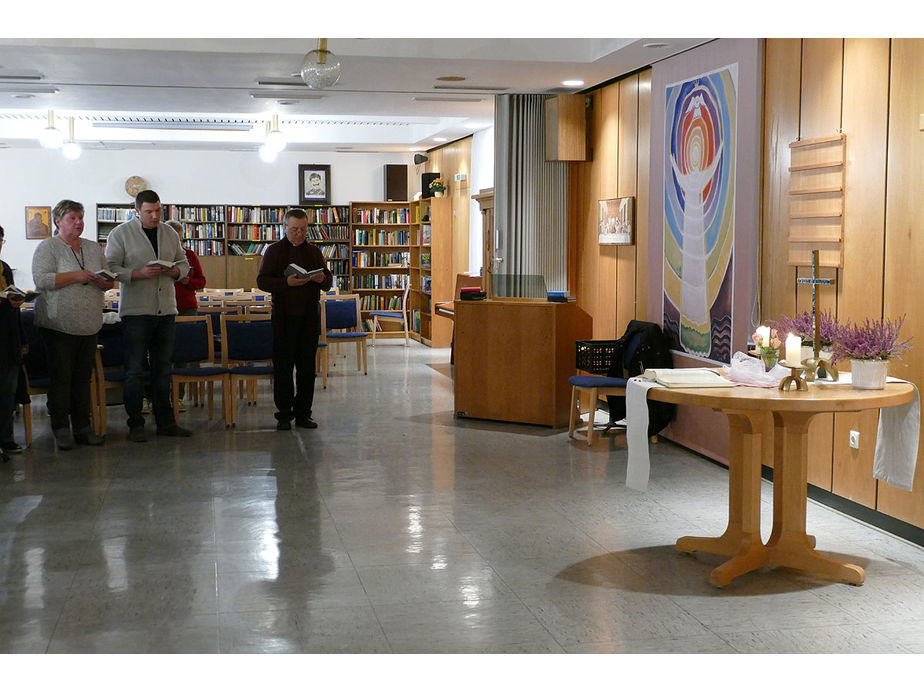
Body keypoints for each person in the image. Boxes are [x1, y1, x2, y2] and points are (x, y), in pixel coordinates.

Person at [105, 190, 192, 442]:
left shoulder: (169, 233)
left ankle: (166, 422)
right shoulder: (120, 234)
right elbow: (110, 268)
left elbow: (184, 263)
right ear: (137, 211)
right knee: (134, 370)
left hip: (165, 310)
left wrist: (176, 271)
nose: (155, 216)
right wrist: (137, 274)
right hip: (136, 312)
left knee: (163, 369)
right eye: (149, 212)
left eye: (158, 211)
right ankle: (136, 424)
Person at [32, 201, 114, 450]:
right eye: (72, 218)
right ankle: (60, 428)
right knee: (62, 378)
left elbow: (108, 279)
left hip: (88, 323)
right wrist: (77, 276)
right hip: (58, 324)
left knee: (82, 379)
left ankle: (83, 427)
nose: (78, 222)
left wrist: (104, 282)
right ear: (58, 221)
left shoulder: (92, 247)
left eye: (81, 218)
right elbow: (41, 279)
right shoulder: (48, 247)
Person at [257, 208, 332, 430]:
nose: (299, 234)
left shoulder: (314, 252)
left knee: (307, 369)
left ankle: (303, 414)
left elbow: (328, 281)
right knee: (283, 368)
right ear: (284, 228)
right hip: (283, 319)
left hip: (309, 318)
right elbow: (262, 281)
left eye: (303, 230)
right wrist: (286, 283)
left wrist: (320, 278)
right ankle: (284, 415)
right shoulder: (274, 251)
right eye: (294, 230)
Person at [166, 220, 206, 405]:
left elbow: (201, 282)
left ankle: (178, 397)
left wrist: (187, 282)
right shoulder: (160, 256)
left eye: (178, 237)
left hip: (186, 307)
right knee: (164, 353)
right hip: (164, 307)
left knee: (183, 352)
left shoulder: (189, 255)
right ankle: (159, 397)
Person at [0, 224, 27, 461]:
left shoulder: (4, 268)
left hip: (7, 339)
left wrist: (22, 338)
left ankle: (6, 438)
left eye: (0, 240)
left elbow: (12, 308)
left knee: (7, 392)